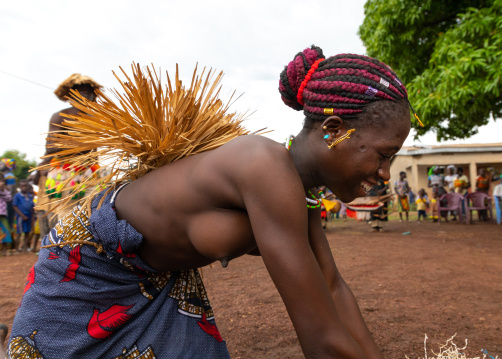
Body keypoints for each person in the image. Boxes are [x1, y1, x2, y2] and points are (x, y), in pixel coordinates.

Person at [9, 47, 415, 358]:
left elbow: (333, 288)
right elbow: (322, 339)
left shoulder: (298, 193)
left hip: (148, 289)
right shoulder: (264, 168)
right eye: (383, 154)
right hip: (84, 281)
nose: (384, 173)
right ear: (334, 130)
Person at [33, 74, 103, 223]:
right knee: (66, 216)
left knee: (95, 209)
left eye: (90, 93)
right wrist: (79, 144)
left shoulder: (95, 118)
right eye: (84, 92)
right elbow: (50, 147)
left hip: (90, 172)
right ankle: (66, 243)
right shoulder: (60, 116)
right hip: (65, 172)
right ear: (73, 94)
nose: (88, 96)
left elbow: (95, 152)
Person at [12, 180, 35, 252]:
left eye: (25, 186)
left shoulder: (30, 196)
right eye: (22, 186)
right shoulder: (17, 196)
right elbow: (14, 206)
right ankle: (17, 249)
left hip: (29, 216)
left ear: (27, 187)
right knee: (19, 233)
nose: (24, 188)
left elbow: (32, 207)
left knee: (27, 232)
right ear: (20, 187)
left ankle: (25, 248)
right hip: (21, 217)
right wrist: (22, 215)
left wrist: (32, 217)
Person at [0, 180, 13, 255]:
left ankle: (4, 250)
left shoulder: (6, 191)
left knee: (4, 232)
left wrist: (2, 190)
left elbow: (9, 199)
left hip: (3, 214)